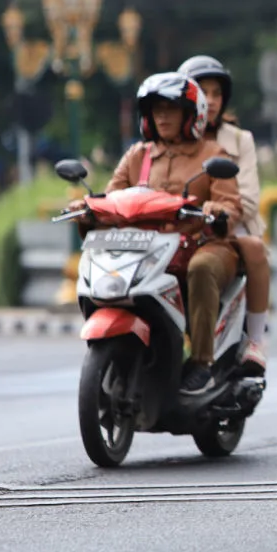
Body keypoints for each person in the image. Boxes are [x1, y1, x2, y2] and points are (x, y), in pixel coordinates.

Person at [85, 73, 242, 395]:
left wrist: (216, 209)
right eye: (156, 109)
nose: (162, 116)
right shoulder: (136, 156)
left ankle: (201, 363)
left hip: (203, 245)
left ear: (191, 114)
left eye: (170, 109)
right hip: (149, 251)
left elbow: (230, 205)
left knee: (201, 269)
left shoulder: (213, 155)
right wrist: (87, 206)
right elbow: (110, 198)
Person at [178, 55, 271, 376]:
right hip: (178, 228)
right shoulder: (167, 139)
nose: (211, 101)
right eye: (204, 93)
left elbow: (246, 199)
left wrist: (214, 210)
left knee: (254, 249)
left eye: (217, 94)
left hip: (228, 227)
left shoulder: (239, 140)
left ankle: (256, 339)